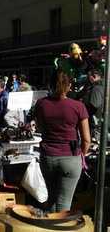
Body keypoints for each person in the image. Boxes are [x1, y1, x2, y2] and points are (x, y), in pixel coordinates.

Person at [35, 70, 90, 212]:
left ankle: (50, 230)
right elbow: (86, 139)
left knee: (52, 199)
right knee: (64, 203)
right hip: (71, 158)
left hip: (48, 157)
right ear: (69, 85)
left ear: (51, 84)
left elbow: (40, 128)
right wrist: (82, 155)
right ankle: (59, 231)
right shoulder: (79, 106)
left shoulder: (41, 104)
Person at [81, 69, 104, 142]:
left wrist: (84, 103)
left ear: (93, 77)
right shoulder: (104, 86)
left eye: (89, 78)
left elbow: (95, 104)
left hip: (97, 122)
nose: (88, 80)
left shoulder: (96, 88)